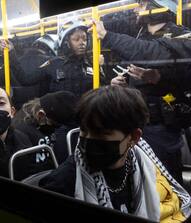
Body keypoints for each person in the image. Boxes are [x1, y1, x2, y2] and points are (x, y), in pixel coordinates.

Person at [39, 85, 191, 222]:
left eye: (101, 134)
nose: (88, 140)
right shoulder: (61, 184)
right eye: (84, 130)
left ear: (133, 137)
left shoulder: (146, 166)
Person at [91, 0, 191, 184]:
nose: (136, 9)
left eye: (142, 4)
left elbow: (151, 53)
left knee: (166, 178)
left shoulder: (181, 35)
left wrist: (107, 35)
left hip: (163, 126)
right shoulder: (141, 37)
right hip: (137, 122)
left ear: (157, 7)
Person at [40, 20, 105, 97]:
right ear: (66, 43)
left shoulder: (92, 64)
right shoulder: (53, 64)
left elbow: (102, 90)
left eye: (85, 39)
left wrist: (99, 67)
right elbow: (42, 94)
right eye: (76, 39)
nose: (82, 43)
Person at [12, 90, 77, 164]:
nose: (56, 128)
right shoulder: (21, 131)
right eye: (55, 124)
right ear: (41, 115)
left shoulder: (39, 122)